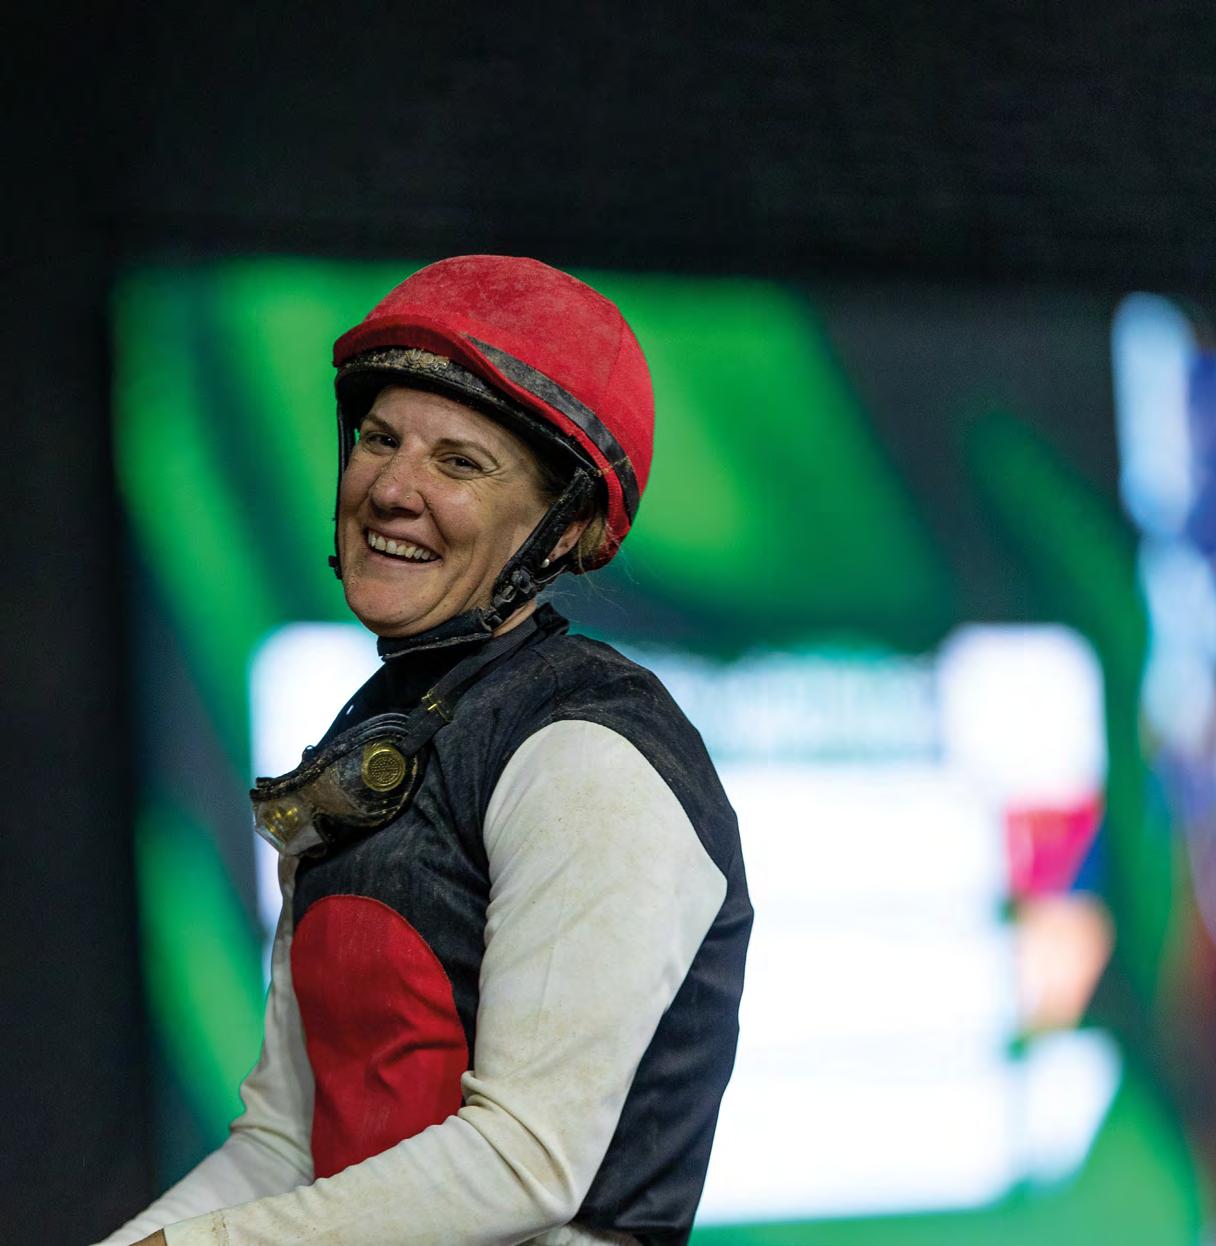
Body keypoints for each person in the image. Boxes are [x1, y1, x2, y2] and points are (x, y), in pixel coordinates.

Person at [99, 255, 752, 1246]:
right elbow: (284, 1144)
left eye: (458, 462)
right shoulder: (367, 736)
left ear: (567, 526)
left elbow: (522, 1162)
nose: (392, 487)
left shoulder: (589, 752)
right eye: (379, 439)